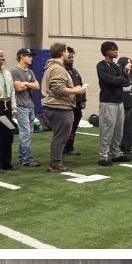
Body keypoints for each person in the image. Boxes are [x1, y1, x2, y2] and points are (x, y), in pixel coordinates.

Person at [41, 42, 87, 173]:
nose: (69, 54)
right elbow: (58, 89)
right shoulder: (57, 68)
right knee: (61, 137)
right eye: (67, 51)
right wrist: (76, 91)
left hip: (57, 106)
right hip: (59, 106)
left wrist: (74, 89)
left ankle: (56, 161)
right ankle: (56, 163)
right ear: (62, 52)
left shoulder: (54, 67)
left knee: (59, 136)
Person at [96, 41, 132, 166]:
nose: (116, 51)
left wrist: (119, 80)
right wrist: (120, 80)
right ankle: (103, 156)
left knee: (118, 130)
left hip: (119, 101)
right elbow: (109, 80)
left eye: (116, 49)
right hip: (108, 102)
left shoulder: (117, 67)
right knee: (107, 129)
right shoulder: (101, 66)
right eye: (113, 49)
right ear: (106, 51)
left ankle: (116, 153)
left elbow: (127, 81)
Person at [11, 48, 41, 168]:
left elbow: (37, 86)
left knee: (29, 133)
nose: (31, 58)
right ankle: (26, 159)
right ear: (21, 56)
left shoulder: (30, 72)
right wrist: (30, 85)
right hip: (21, 106)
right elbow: (18, 88)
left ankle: (23, 156)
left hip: (30, 105)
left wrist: (26, 84)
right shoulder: (14, 71)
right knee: (25, 134)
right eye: (28, 56)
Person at [63, 47, 86, 155]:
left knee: (73, 128)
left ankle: (69, 147)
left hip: (76, 105)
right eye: (69, 55)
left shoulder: (74, 71)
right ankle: (62, 148)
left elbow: (80, 85)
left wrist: (83, 99)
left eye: (72, 55)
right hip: (66, 105)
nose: (71, 57)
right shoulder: (61, 71)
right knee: (65, 128)